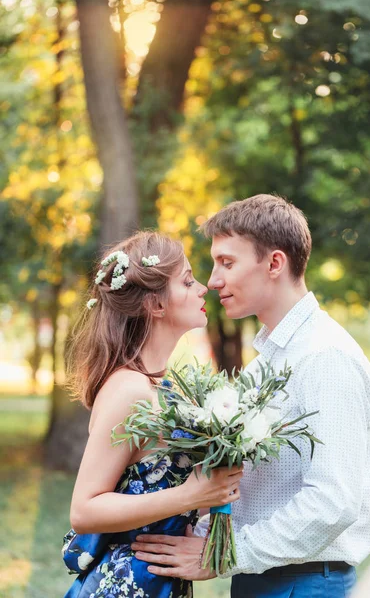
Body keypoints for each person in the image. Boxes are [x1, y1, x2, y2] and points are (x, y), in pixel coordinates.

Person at [130, 194, 370, 598]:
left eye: (227, 263)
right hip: (265, 580)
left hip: (304, 583)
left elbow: (334, 502)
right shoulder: (268, 361)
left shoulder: (325, 356)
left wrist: (227, 555)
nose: (213, 281)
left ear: (275, 263)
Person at [62, 230, 243, 598]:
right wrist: (190, 496)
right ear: (155, 305)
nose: (202, 288)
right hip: (127, 585)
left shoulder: (161, 386)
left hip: (163, 582)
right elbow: (84, 509)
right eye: (188, 281)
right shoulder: (129, 389)